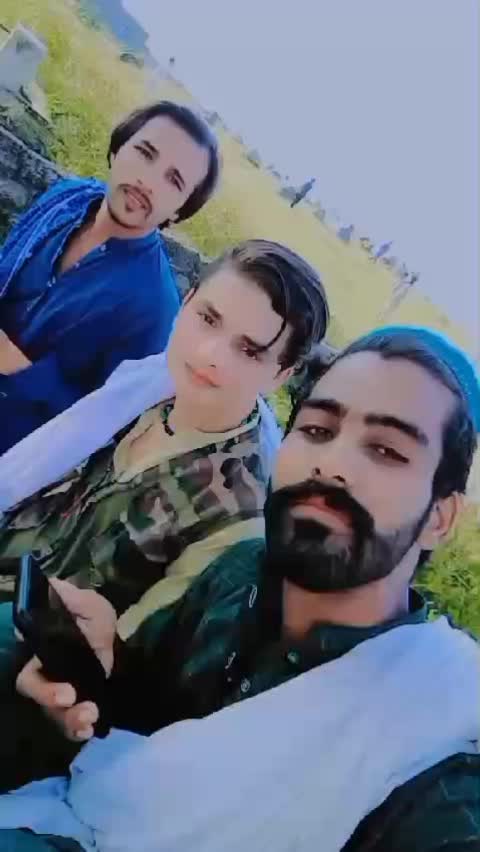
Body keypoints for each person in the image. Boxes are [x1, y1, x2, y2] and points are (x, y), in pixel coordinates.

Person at [0, 326, 479, 851]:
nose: (332, 464)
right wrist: (97, 667)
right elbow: (143, 718)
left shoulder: (435, 748)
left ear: (440, 517)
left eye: (386, 450)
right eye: (318, 429)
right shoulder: (240, 572)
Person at [0, 240, 329, 627]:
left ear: (280, 375)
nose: (210, 354)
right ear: (187, 301)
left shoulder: (237, 520)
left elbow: (126, 648)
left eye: (249, 351)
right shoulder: (146, 384)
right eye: (208, 319)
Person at [0, 101, 220, 453]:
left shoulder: (153, 307)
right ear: (118, 149)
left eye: (173, 180)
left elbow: (105, 430)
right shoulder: (66, 197)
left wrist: (21, 369)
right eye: (145, 153)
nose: (148, 181)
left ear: (179, 211)